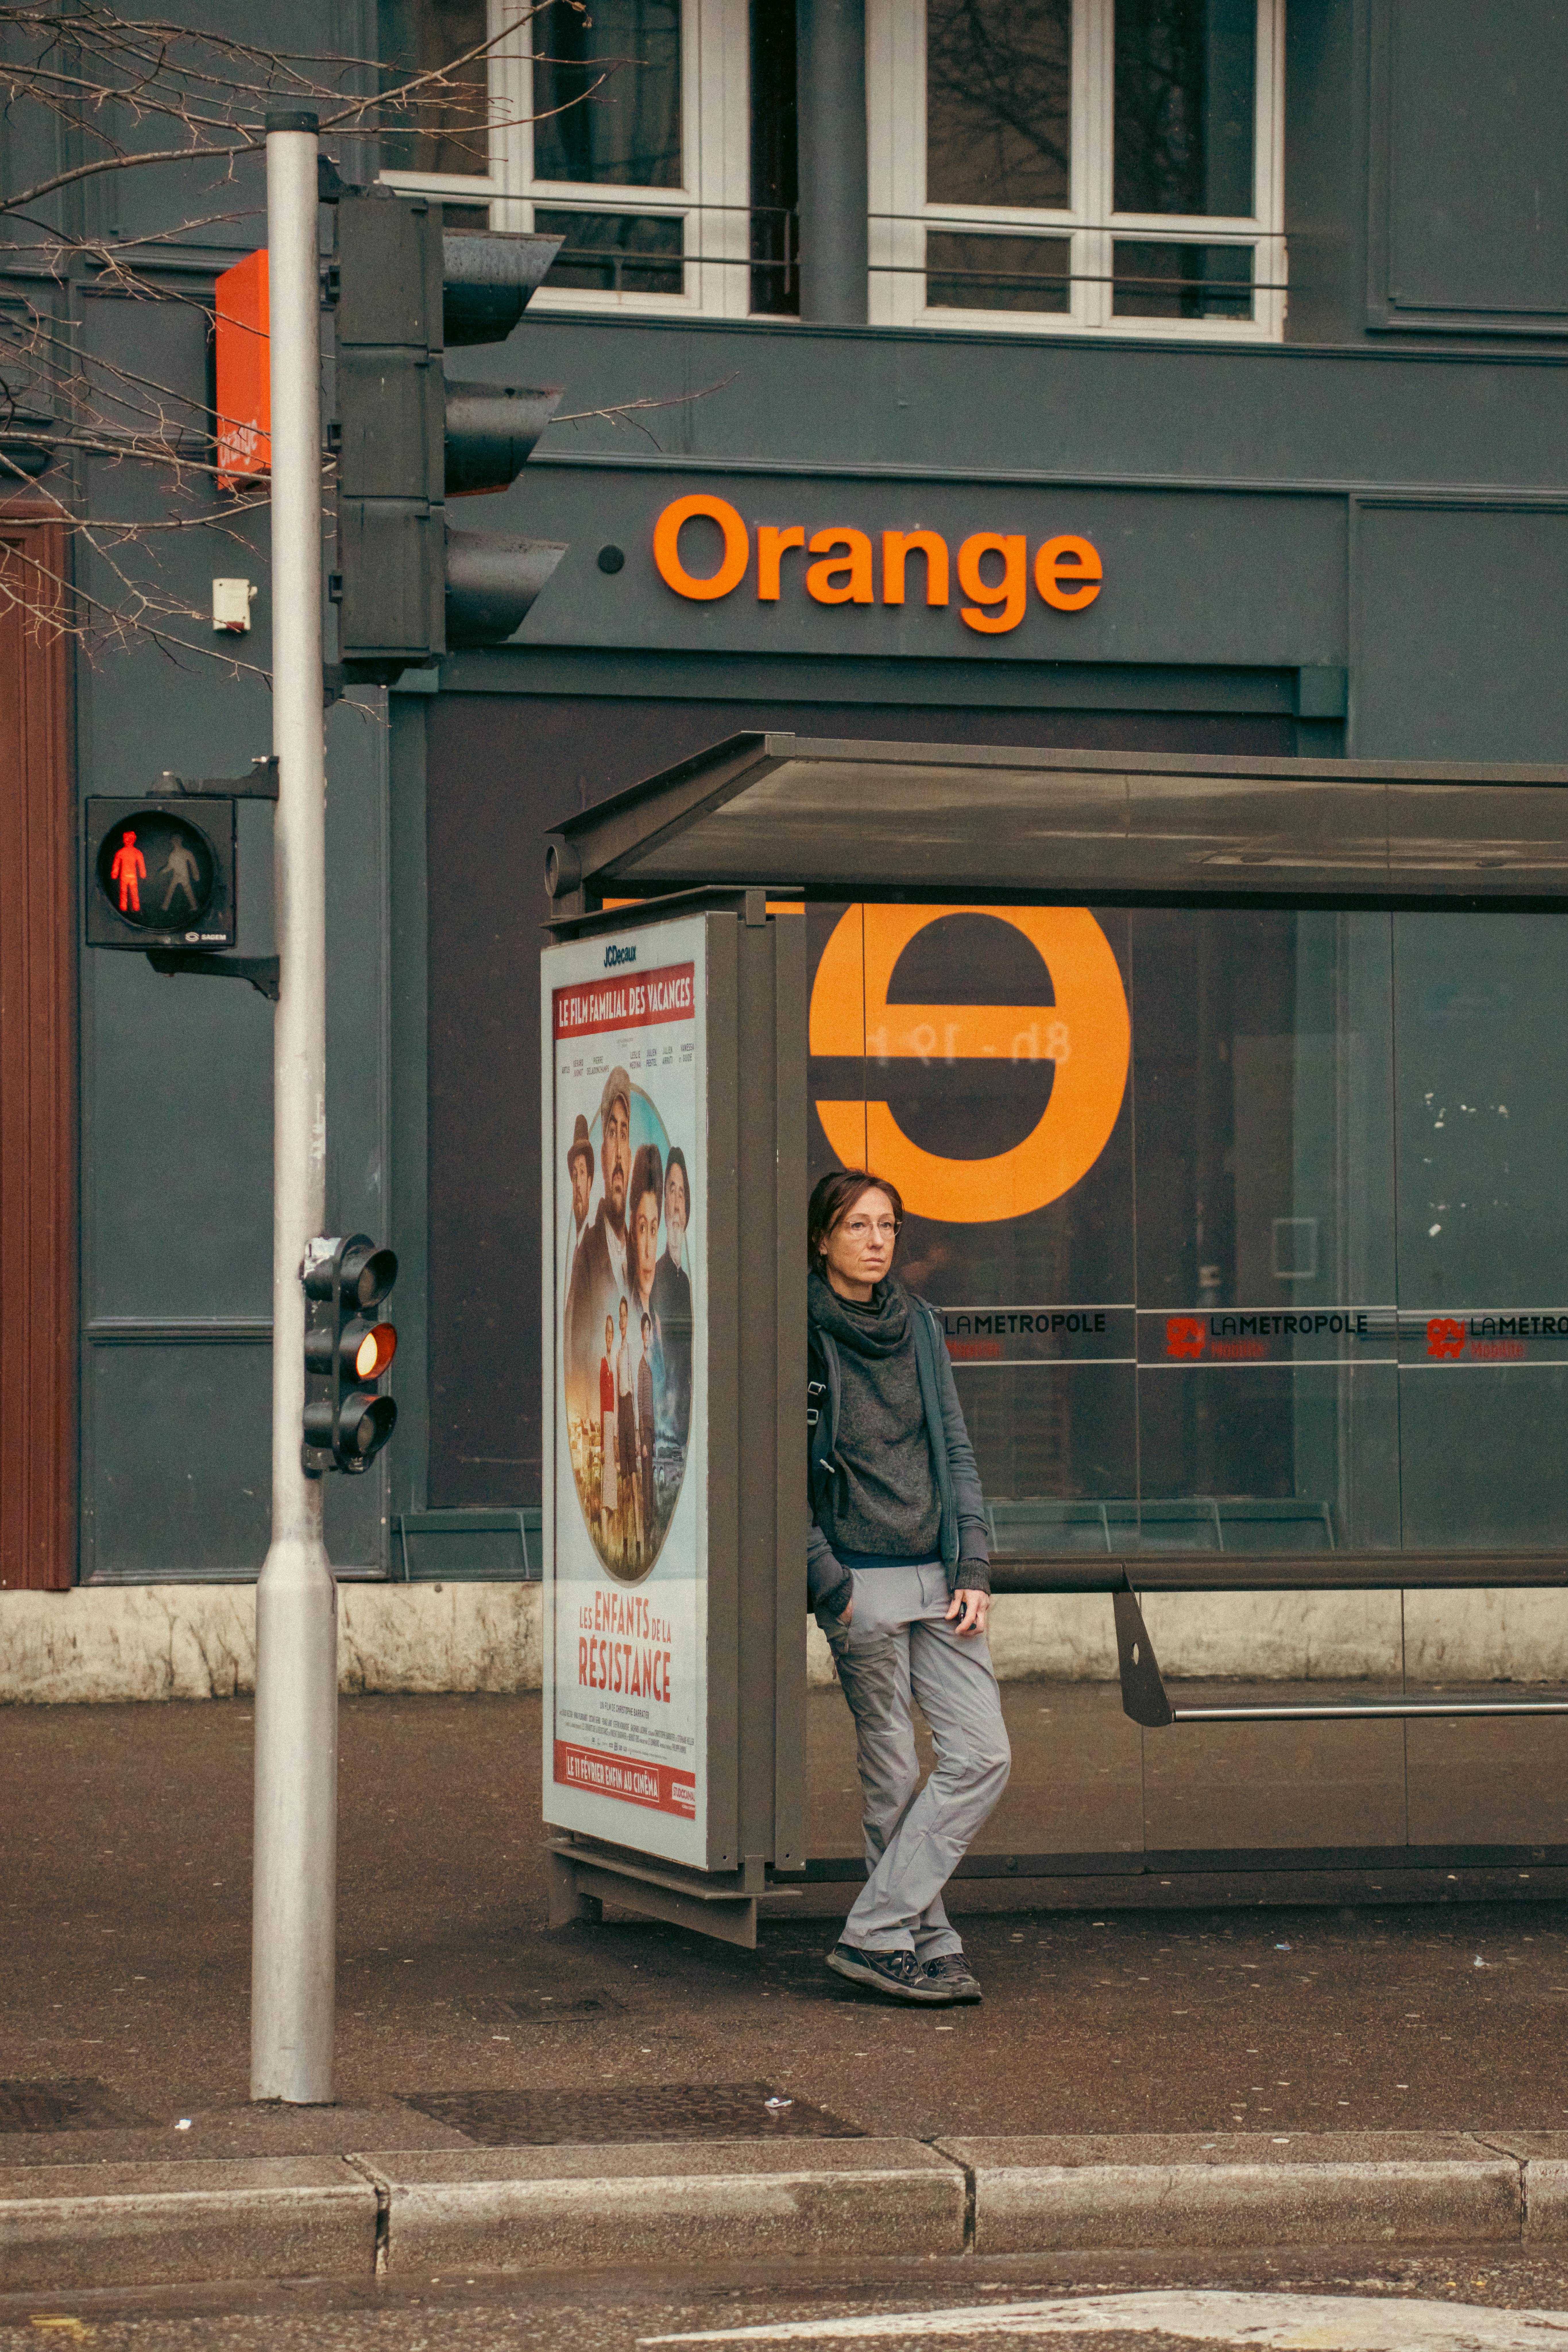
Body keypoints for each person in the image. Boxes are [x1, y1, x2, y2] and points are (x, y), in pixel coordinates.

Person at [807, 1167, 1010, 2008]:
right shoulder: (798, 1328)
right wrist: (829, 1581)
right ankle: (924, 1940)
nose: (876, 1240)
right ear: (822, 1238)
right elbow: (773, 1467)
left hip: (938, 1575)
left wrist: (973, 1564)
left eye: (887, 1225)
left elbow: (953, 1447)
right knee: (892, 1775)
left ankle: (875, 1932)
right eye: (857, 1225)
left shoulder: (917, 1323)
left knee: (983, 1755)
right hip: (860, 1580)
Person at [565, 1070, 633, 1420]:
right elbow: (576, 1374)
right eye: (611, 1133)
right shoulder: (587, 1256)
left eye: (624, 1134)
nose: (619, 1153)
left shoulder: (642, 1259)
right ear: (603, 1154)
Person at [651, 1145, 693, 1448]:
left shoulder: (691, 1283)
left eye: (682, 1193)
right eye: (671, 1190)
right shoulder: (654, 1277)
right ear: (663, 1201)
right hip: (664, 1429)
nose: (677, 1204)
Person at [563, 1113, 595, 1395]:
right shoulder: (570, 1251)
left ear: (591, 1181)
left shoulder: (596, 1247)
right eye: (573, 1175)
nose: (577, 1183)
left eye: (582, 1173)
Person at [615, 1294, 640, 1550]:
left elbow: (631, 1385)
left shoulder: (631, 1348)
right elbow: (617, 1395)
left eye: (625, 1316)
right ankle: (624, 1542)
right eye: (620, 1316)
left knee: (633, 1479)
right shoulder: (617, 1353)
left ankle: (639, 1542)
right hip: (620, 1410)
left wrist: (636, 1430)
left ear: (628, 1319)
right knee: (623, 1481)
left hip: (630, 1409)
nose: (622, 1321)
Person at [598, 1315, 618, 1534]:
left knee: (613, 1485)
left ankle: (611, 1538)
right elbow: (602, 1402)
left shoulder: (616, 1361)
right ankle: (604, 1536)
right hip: (607, 1420)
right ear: (605, 1335)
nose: (610, 1336)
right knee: (607, 1483)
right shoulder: (604, 1363)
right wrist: (604, 1443)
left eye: (612, 1332)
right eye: (608, 1332)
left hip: (615, 1422)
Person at [637, 1310, 657, 1533]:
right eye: (644, 1330)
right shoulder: (641, 1364)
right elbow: (641, 1403)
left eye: (649, 1330)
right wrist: (643, 1440)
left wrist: (654, 1437)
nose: (646, 1334)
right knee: (645, 1479)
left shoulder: (652, 1363)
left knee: (651, 1478)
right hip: (645, 1427)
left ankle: (651, 1522)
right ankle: (646, 1522)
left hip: (653, 1429)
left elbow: (654, 1402)